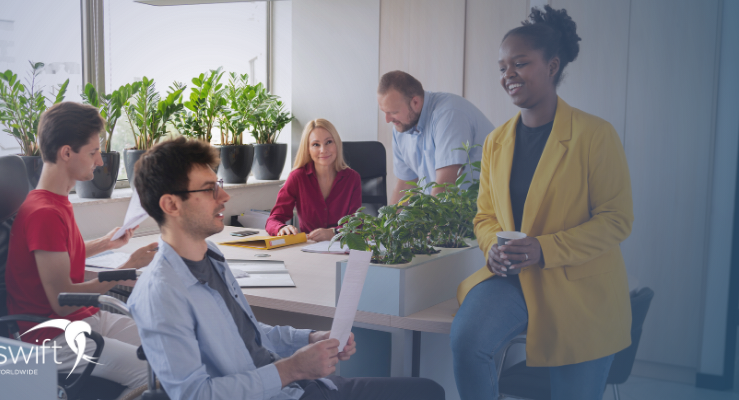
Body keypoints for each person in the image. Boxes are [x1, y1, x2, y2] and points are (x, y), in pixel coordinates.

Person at [128, 137, 444, 400]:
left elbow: (252, 334)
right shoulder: (161, 294)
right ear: (171, 205)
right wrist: (292, 369)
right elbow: (195, 395)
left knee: (428, 390)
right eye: (209, 189)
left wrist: (309, 339)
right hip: (283, 389)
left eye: (219, 184)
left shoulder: (210, 256)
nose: (225, 196)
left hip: (298, 388)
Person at [450, 6, 633, 400]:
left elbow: (616, 220)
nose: (508, 75)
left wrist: (542, 249)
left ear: (552, 66)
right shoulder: (497, 141)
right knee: (467, 342)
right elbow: (484, 216)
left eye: (520, 63)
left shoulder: (595, 135)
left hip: (576, 284)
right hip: (512, 278)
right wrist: (491, 249)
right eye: (502, 67)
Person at [5, 102, 158, 395]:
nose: (99, 161)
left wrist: (106, 243)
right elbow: (62, 301)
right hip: (54, 338)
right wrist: (124, 269)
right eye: (92, 152)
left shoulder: (55, 200)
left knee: (171, 348)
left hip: (83, 319)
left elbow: (61, 255)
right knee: (152, 372)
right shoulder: (44, 213)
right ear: (66, 153)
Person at [377, 71, 494, 204]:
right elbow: (405, 185)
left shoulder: (449, 113)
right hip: (453, 212)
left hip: (487, 211)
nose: (387, 120)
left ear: (415, 102)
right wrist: (388, 223)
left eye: (393, 112)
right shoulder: (401, 126)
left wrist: (430, 224)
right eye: (384, 112)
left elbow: (445, 187)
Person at [265, 119, 362, 242]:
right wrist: (281, 228)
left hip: (342, 246)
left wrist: (333, 233)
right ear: (308, 149)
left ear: (337, 143)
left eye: (329, 142)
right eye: (316, 144)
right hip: (309, 248)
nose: (323, 150)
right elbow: (273, 220)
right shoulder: (297, 177)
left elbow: (356, 224)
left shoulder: (352, 178)